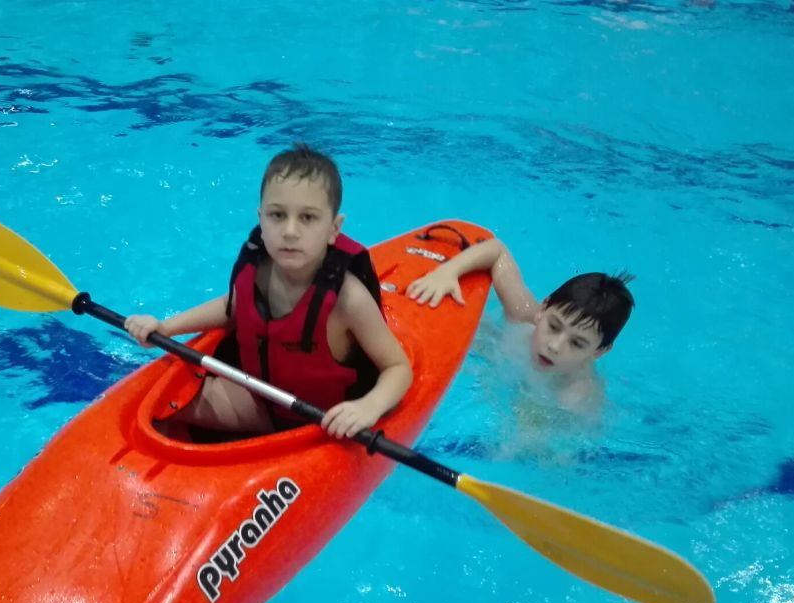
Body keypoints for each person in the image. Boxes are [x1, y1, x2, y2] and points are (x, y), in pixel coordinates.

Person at [125, 144, 412, 439]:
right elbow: (233, 307)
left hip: (324, 424)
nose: (290, 231)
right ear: (260, 219)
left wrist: (368, 407)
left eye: (308, 218)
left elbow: (398, 367)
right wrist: (166, 327)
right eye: (277, 215)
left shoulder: (348, 300)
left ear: (334, 229)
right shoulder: (259, 269)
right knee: (155, 406)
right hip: (258, 403)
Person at [406, 238, 633, 415]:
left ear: (599, 351)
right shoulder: (524, 315)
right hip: (497, 352)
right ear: (543, 308)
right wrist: (447, 272)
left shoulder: (573, 398)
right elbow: (496, 250)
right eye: (553, 326)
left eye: (577, 343)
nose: (554, 346)